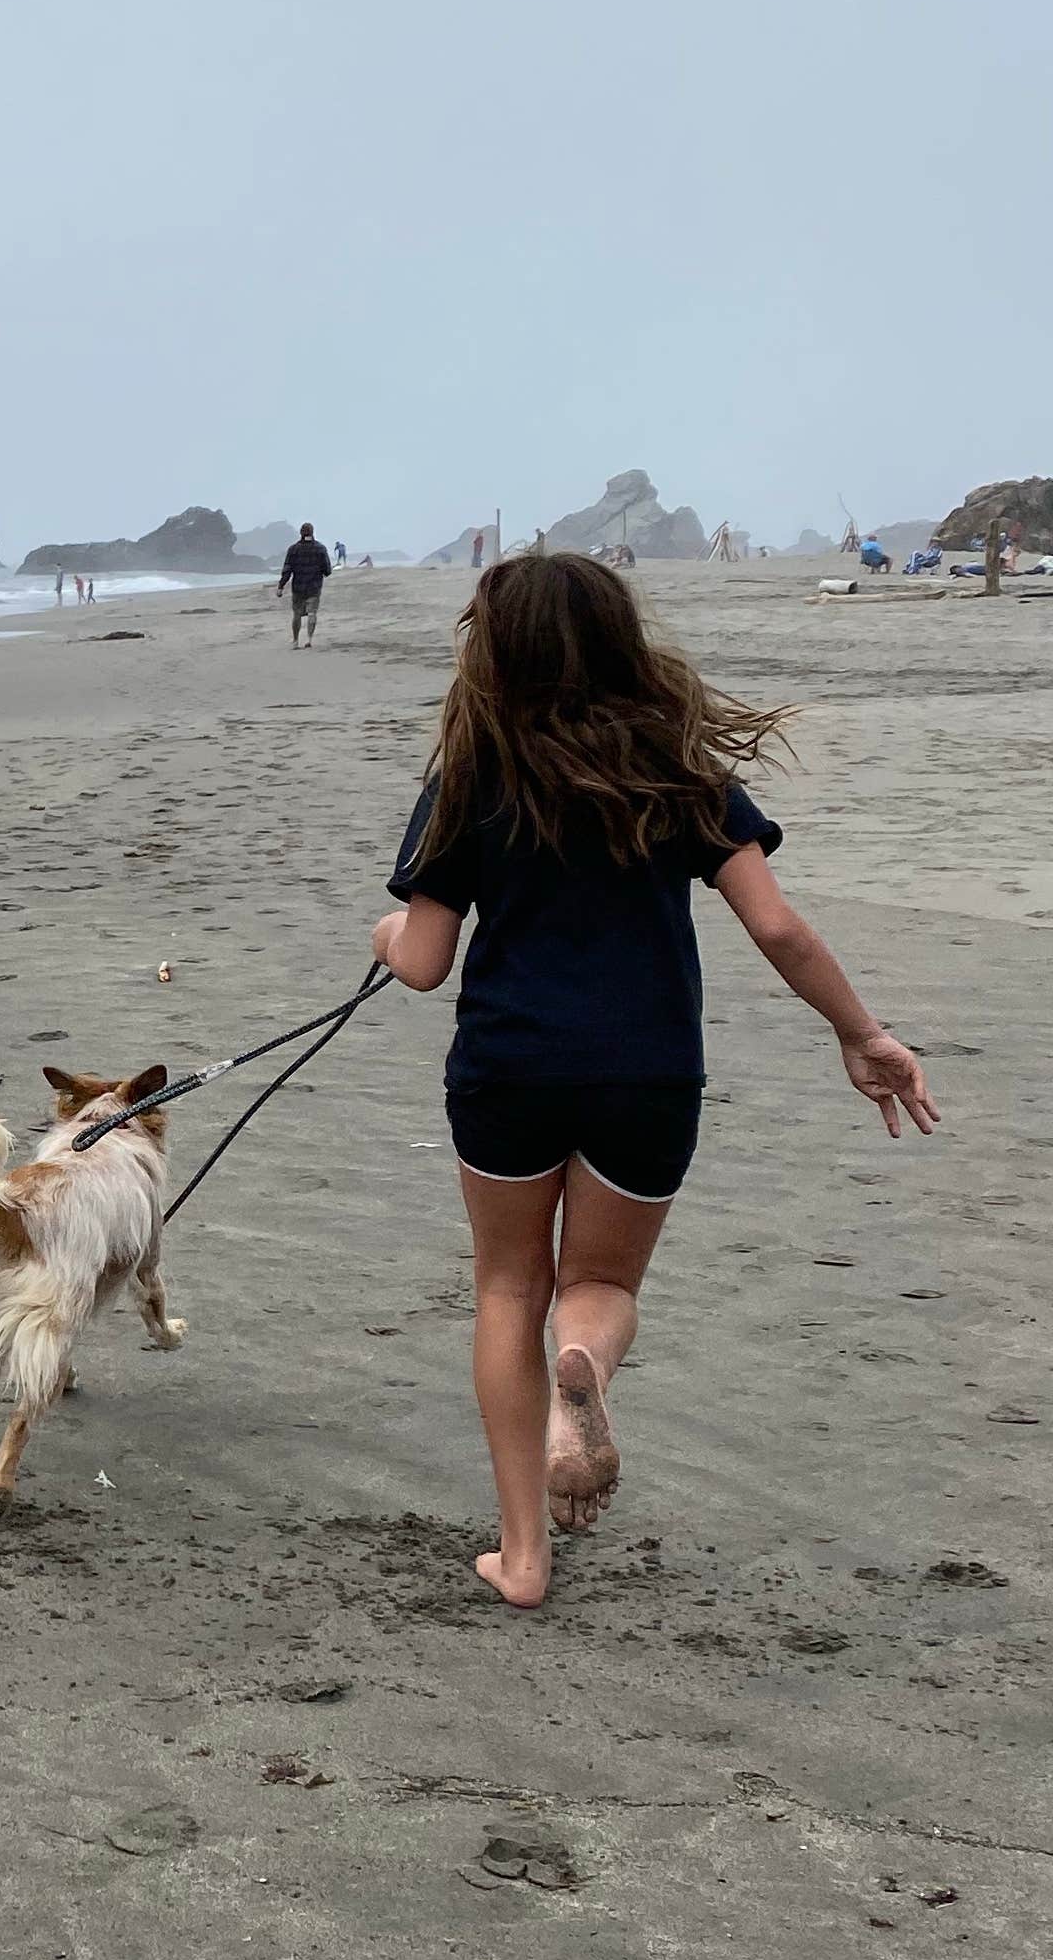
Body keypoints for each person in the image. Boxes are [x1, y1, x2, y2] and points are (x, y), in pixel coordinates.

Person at [370, 554, 934, 1611]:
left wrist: (385, 931)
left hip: (509, 1066)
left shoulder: (472, 776)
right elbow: (776, 924)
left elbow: (425, 961)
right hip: (648, 1069)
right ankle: (580, 1367)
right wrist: (863, 1035)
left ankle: (523, 1559)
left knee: (507, 1287)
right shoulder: (676, 768)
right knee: (601, 1287)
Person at [278, 523, 333, 645]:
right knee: (312, 613)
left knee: (297, 614)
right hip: (314, 587)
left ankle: (295, 640)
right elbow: (327, 571)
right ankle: (309, 639)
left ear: (301, 533)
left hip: (298, 587)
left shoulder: (293, 549)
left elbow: (287, 570)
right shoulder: (320, 548)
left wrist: (281, 586)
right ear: (312, 532)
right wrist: (322, 571)